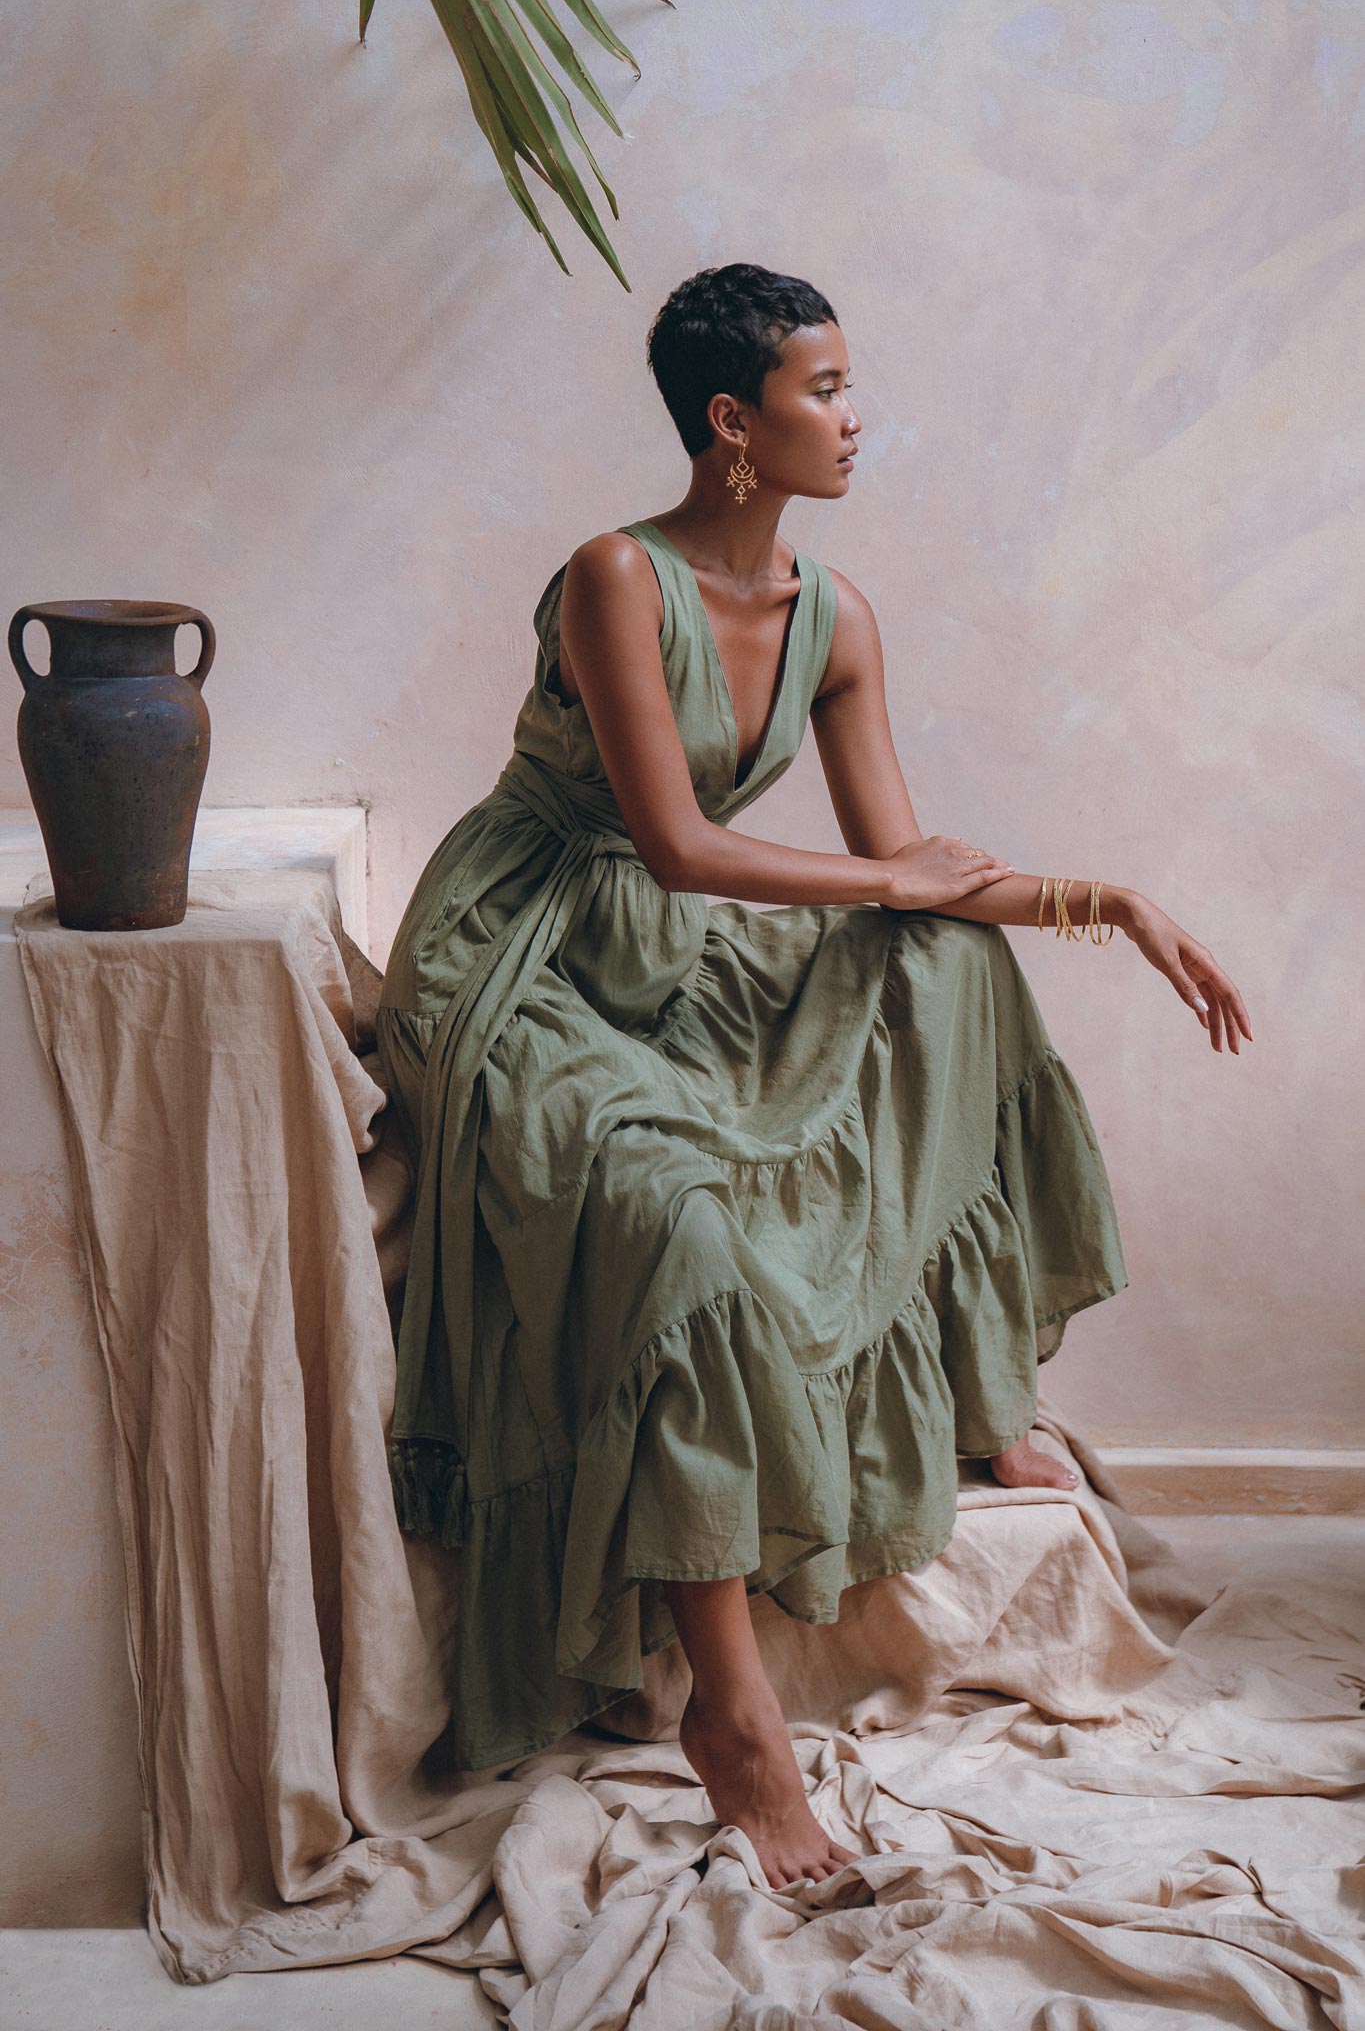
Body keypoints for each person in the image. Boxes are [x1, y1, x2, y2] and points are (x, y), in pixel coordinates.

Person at [375, 262, 1252, 1890]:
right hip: (526, 944)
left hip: (681, 942)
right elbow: (677, 844)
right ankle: (736, 1722)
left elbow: (904, 864)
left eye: (849, 388)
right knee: (679, 1228)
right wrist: (904, 881)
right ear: (733, 421)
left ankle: (981, 1396)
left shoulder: (835, 616)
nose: (855, 420)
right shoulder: (613, 578)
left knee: (952, 966)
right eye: (824, 390)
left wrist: (1105, 903)